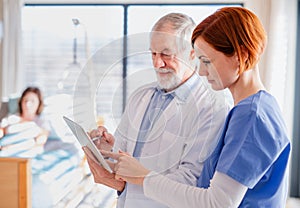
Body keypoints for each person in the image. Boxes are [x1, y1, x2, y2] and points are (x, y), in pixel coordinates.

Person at [101, 7, 291, 208]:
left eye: (207, 61)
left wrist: (143, 177)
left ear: (241, 55)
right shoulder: (251, 110)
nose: (200, 71)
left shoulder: (251, 116)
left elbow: (218, 203)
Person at [83, 13, 230, 208]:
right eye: (153, 53)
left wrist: (133, 180)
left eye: (166, 55)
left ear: (192, 53)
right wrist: (105, 150)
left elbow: (191, 180)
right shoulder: (140, 97)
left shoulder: (212, 108)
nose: (157, 63)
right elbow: (123, 156)